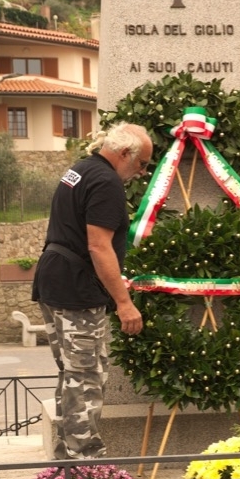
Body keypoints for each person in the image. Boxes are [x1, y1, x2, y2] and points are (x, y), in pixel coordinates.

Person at [33, 122, 152, 459]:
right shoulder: (106, 181)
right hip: (76, 288)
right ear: (125, 153)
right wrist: (124, 303)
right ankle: (85, 461)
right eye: (142, 163)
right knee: (86, 376)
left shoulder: (80, 170)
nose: (142, 172)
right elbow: (100, 247)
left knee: (72, 373)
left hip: (55, 279)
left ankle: (67, 455)